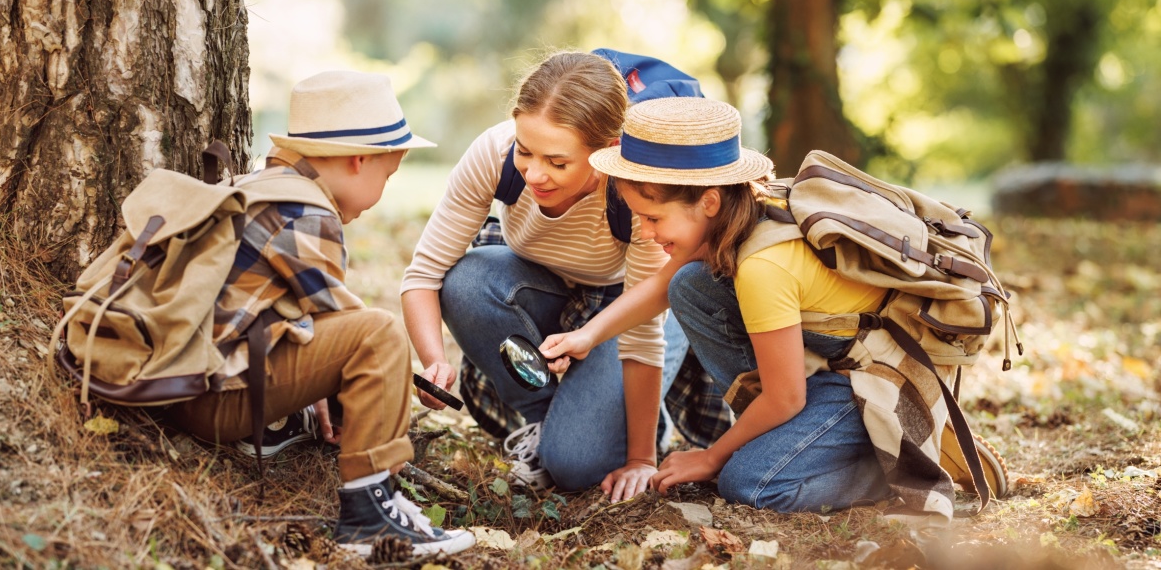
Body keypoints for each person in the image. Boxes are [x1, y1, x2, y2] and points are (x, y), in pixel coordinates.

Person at [164, 71, 475, 556]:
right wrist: (397, 378)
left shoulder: (264, 186)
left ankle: (276, 428)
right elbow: (350, 330)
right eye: (387, 176)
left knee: (365, 335)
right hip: (216, 400)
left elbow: (306, 320)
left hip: (184, 386)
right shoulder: (309, 214)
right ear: (358, 161)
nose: (384, 191)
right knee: (380, 333)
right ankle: (372, 518)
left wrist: (316, 392)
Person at [540, 96, 894, 512]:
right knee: (690, 285)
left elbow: (786, 398)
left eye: (653, 218)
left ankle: (895, 463)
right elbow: (660, 287)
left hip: (879, 381)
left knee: (749, 484)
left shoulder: (763, 267)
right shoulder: (734, 216)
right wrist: (586, 335)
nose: (646, 232)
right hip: (830, 368)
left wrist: (712, 457)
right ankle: (787, 441)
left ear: (708, 201)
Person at [400, 51, 686, 502]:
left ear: (607, 152)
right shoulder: (493, 154)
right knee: (467, 280)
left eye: (557, 162)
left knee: (574, 466)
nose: (534, 174)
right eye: (525, 150)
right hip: (543, 289)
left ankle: (615, 422)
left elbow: (644, 333)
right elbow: (424, 275)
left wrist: (640, 458)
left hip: (627, 308)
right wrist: (433, 361)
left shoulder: (634, 188)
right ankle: (548, 420)